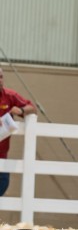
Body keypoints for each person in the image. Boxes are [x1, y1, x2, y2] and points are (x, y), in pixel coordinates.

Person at [0, 67, 37, 196]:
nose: (0, 80)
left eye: (1, 76)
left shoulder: (9, 96)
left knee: (3, 183)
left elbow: (32, 109)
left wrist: (21, 111)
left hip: (2, 155)